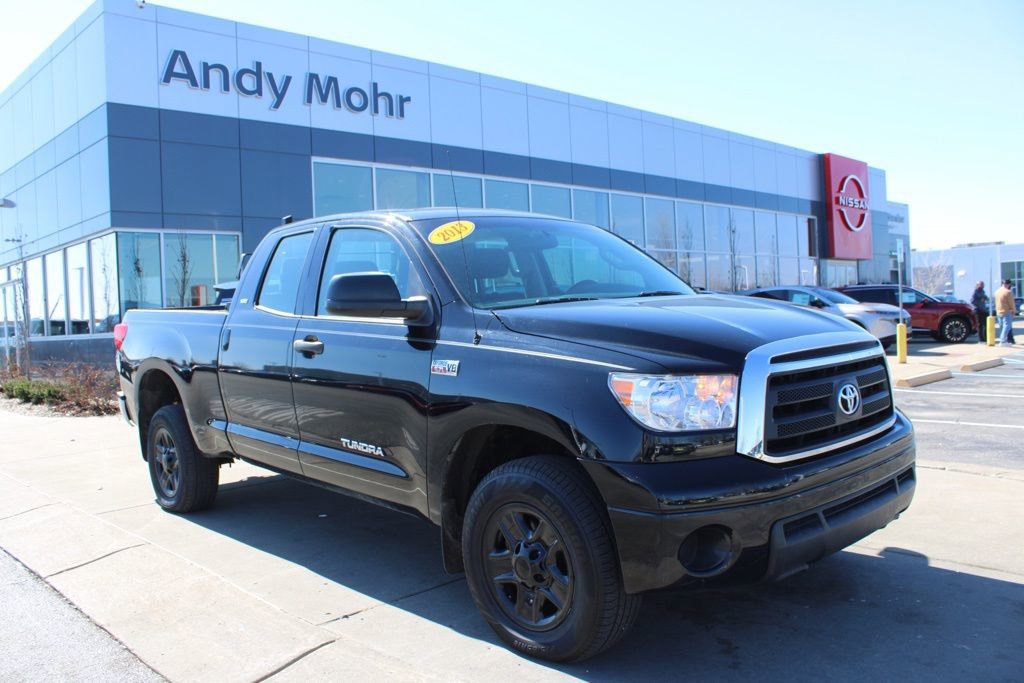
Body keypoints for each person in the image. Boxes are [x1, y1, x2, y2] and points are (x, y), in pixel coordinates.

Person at [994, 279, 1015, 346]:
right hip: (1006, 311)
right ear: (1008, 284)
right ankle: (1002, 340)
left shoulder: (997, 292)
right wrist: (1013, 310)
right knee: (1007, 326)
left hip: (999, 311)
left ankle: (1003, 340)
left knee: (1002, 327)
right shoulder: (1008, 292)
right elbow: (1011, 303)